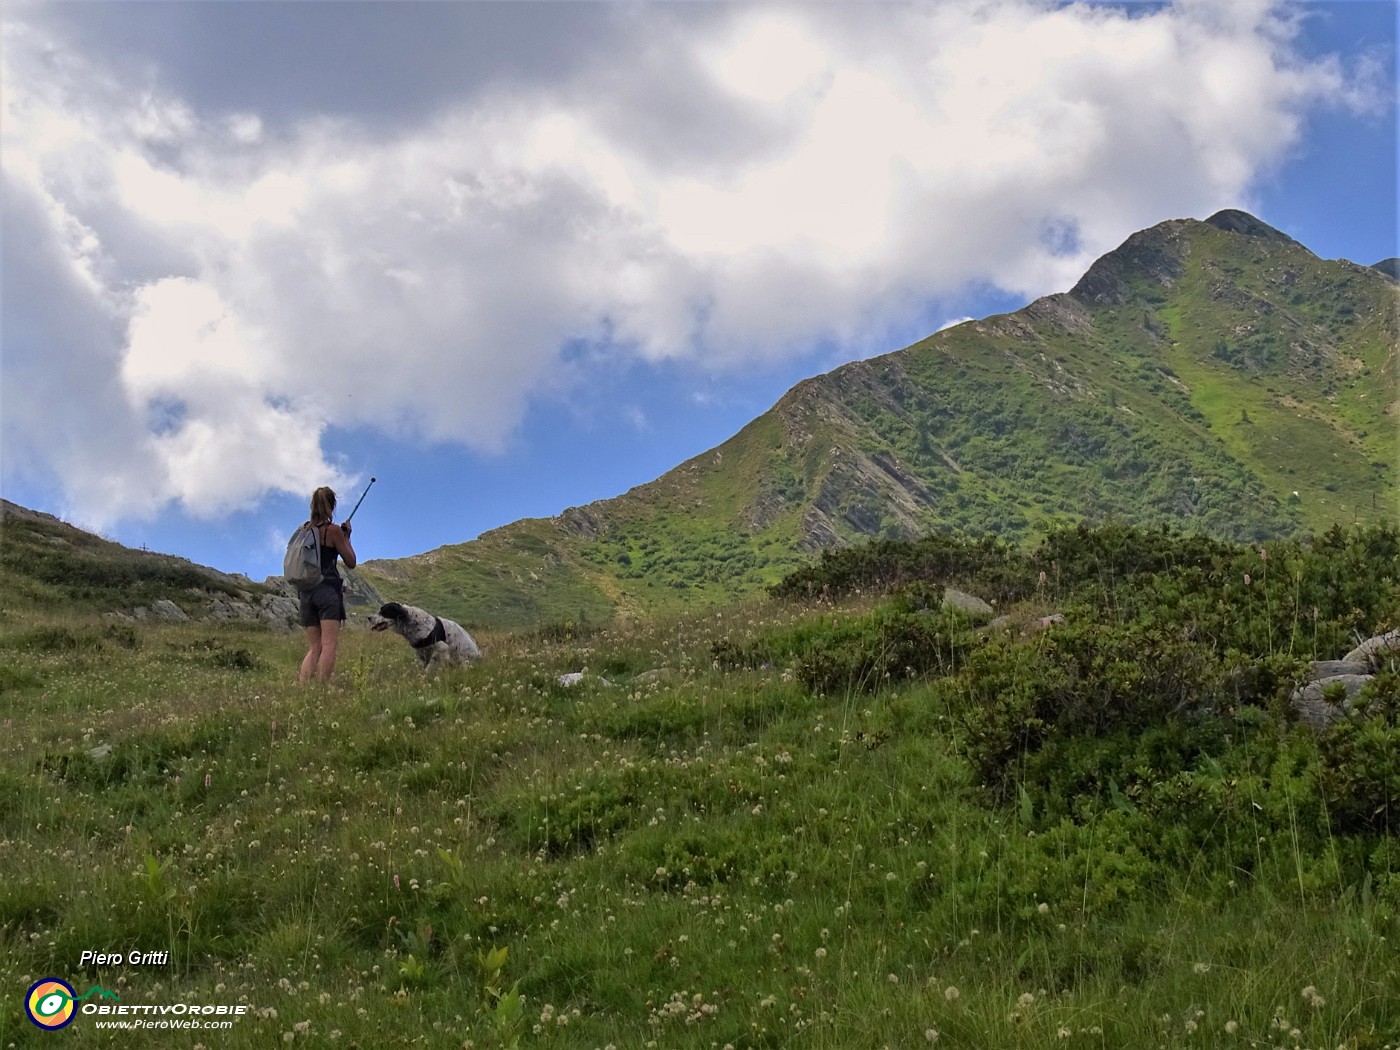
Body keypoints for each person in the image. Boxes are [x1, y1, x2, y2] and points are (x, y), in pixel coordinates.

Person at [298, 486, 357, 683]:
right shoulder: (332, 531)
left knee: (315, 647)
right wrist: (346, 537)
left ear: (313, 505)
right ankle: (322, 690)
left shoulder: (303, 530)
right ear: (332, 505)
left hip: (306, 592)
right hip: (328, 591)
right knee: (329, 644)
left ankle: (303, 687)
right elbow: (351, 561)